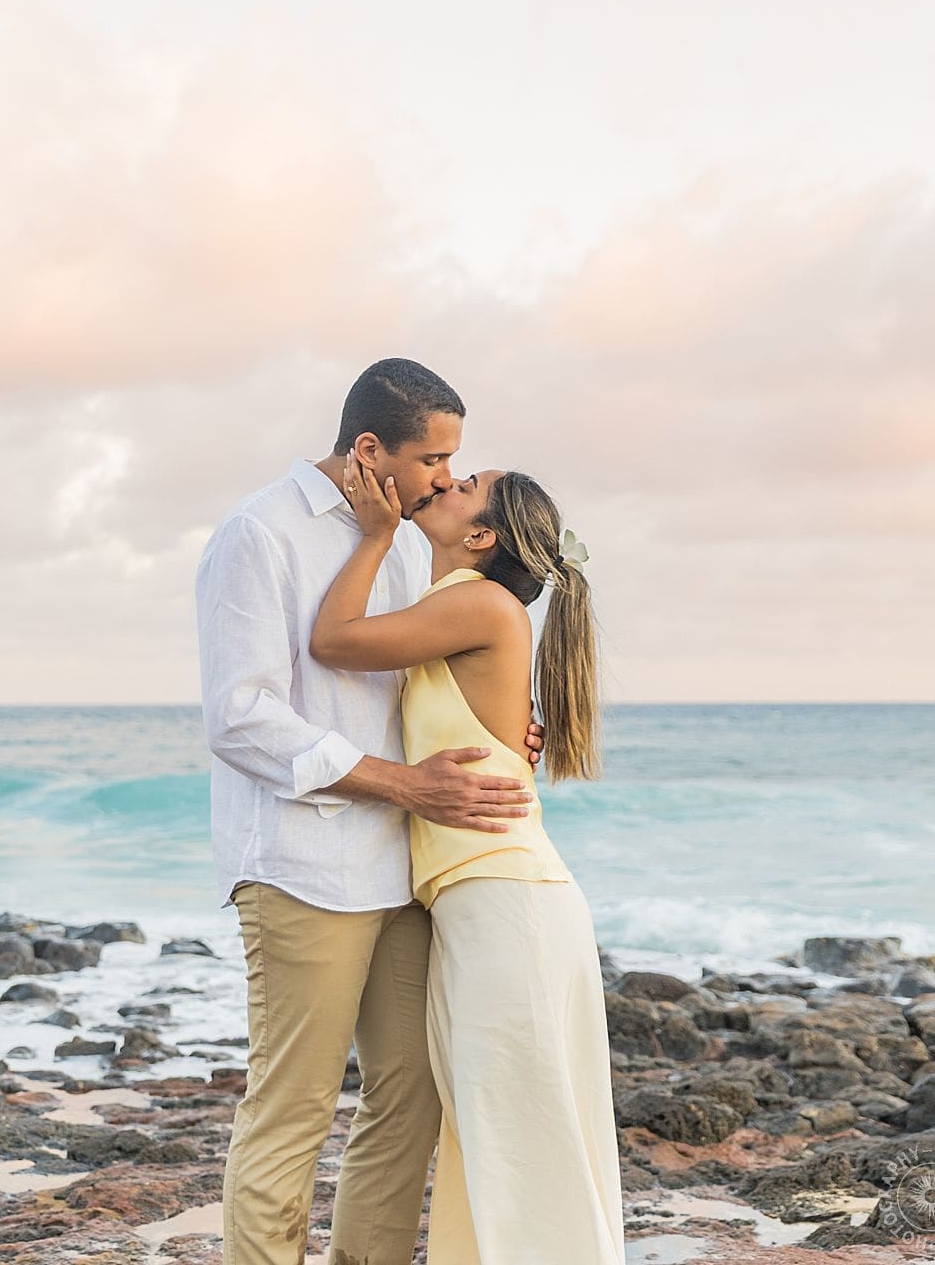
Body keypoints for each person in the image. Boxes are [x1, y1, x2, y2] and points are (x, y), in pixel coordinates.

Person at [195, 358, 545, 1265]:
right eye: (435, 458)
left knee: (413, 1093)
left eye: (453, 463)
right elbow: (239, 716)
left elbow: (420, 680)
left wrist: (504, 726)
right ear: (368, 448)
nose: (444, 478)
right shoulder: (259, 534)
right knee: (295, 1107)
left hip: (406, 869)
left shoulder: (408, 542)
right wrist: (403, 784)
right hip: (304, 865)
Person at [310, 455, 626, 1265]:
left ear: (481, 535)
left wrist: (376, 534)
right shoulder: (460, 605)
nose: (445, 484)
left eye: (464, 486)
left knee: (523, 1143)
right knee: (495, 1140)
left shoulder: (478, 603)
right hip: (482, 905)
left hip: (507, 906)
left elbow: (332, 641)